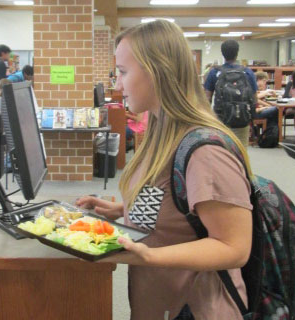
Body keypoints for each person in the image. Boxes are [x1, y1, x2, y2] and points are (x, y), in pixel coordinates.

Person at [76, 20, 253, 320]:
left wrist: (149, 255)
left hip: (197, 310)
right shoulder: (162, 131)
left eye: (122, 72)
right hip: (161, 304)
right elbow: (178, 206)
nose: (117, 85)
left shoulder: (206, 151)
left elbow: (234, 247)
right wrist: (123, 211)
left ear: (157, 70)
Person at [204, 39, 258, 147]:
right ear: (237, 53)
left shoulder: (214, 72)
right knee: (241, 151)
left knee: (223, 150)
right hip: (242, 119)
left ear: (222, 53)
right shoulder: (247, 72)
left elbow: (206, 99)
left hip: (221, 120)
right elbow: (254, 99)